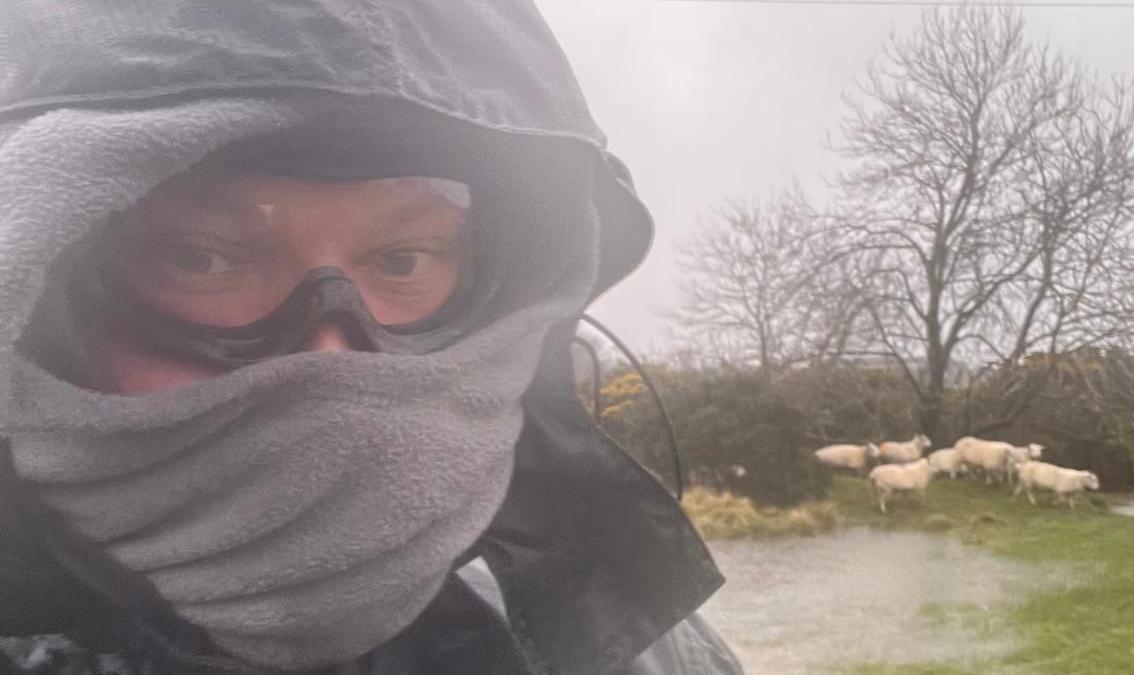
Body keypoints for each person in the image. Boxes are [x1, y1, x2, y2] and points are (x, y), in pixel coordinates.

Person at [0, 2, 742, 674]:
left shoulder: (623, 646)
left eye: (402, 260)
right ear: (37, 298)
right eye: (200, 258)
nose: (332, 361)